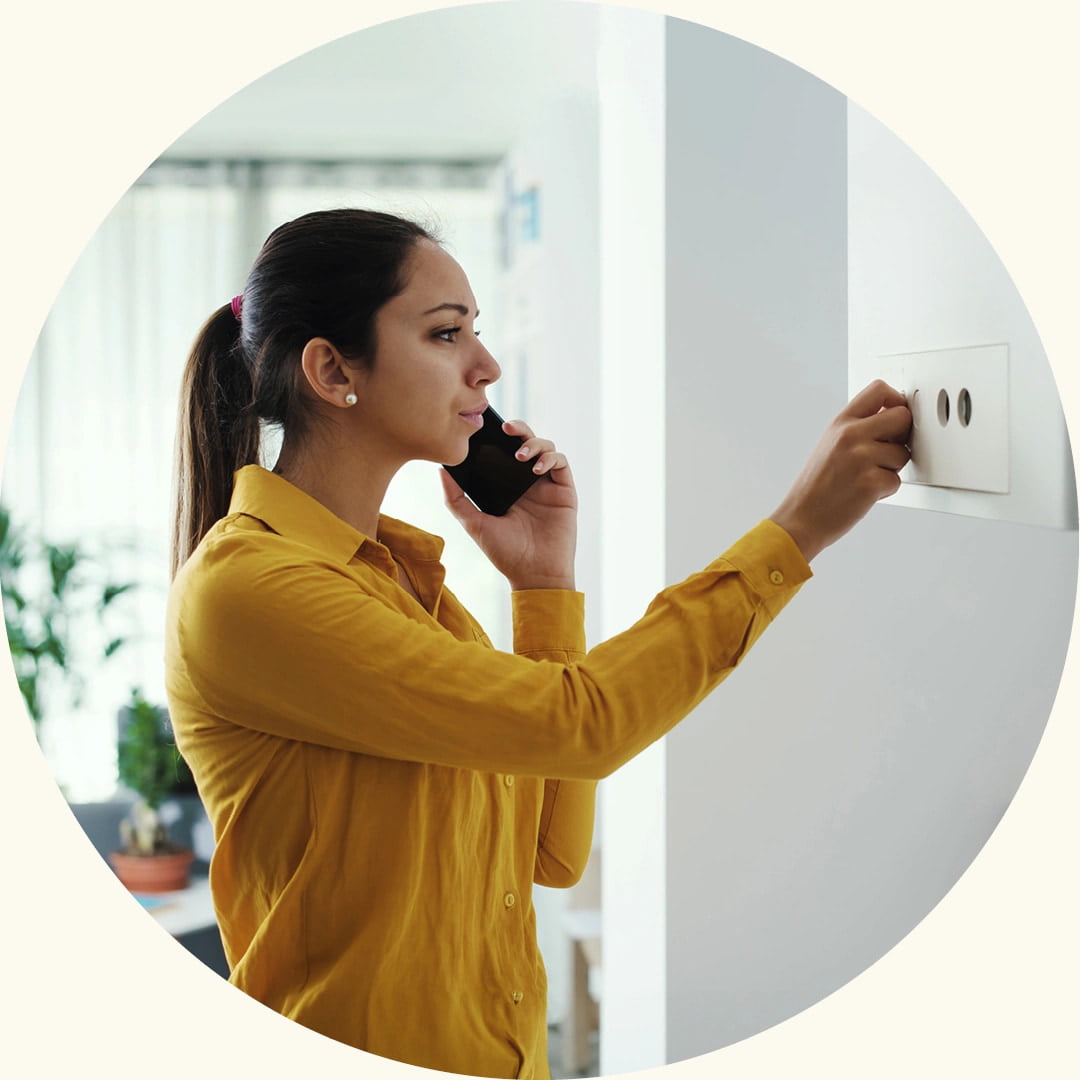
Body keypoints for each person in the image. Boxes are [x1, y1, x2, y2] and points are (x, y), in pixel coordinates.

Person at [166, 208, 912, 1079]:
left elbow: (550, 854)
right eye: (447, 334)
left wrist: (544, 587)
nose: (485, 366)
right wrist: (794, 533)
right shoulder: (252, 591)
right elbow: (581, 728)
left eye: (476, 332)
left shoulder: (410, 591)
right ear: (333, 370)